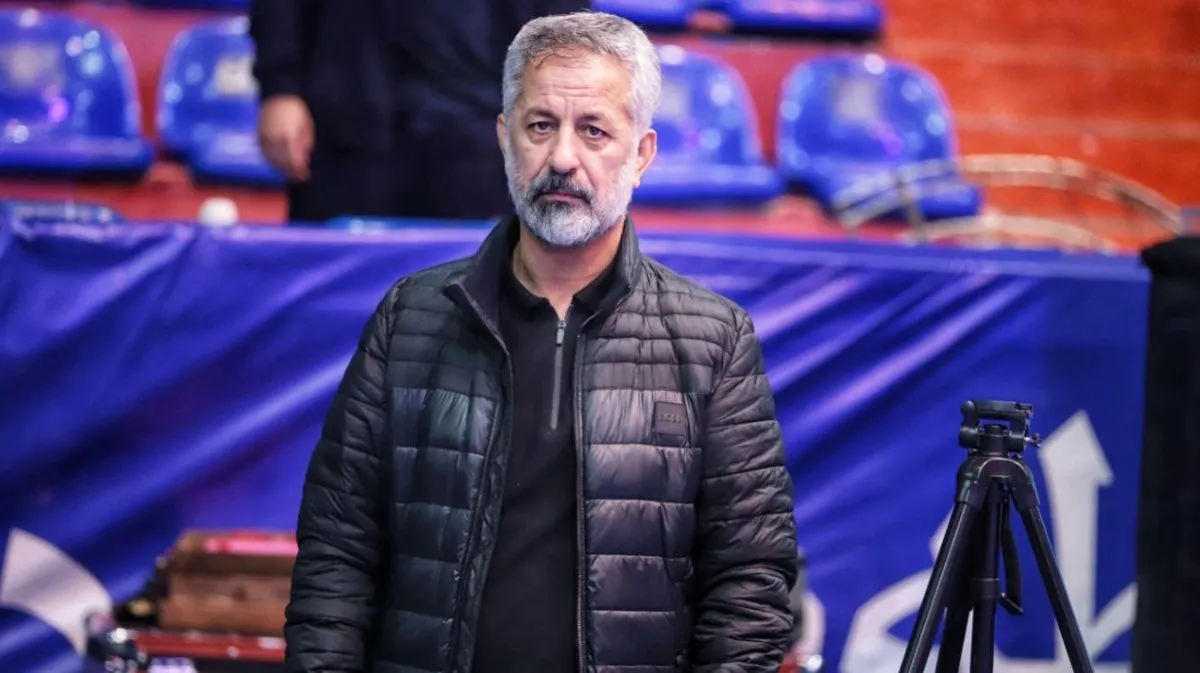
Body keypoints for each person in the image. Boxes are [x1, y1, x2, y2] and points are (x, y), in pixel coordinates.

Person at [284, 11, 799, 673]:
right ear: (505, 139)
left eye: (594, 130)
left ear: (642, 154)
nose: (562, 158)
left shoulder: (714, 341)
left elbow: (749, 581)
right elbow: (337, 551)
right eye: (540, 126)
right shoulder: (408, 319)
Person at [248, 0, 588, 223]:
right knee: (336, 293)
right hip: (348, 116)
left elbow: (562, 19)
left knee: (481, 291)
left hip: (484, 123)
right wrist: (280, 87)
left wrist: (553, 109)